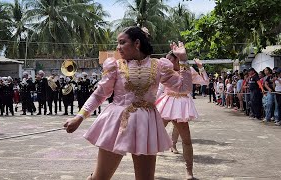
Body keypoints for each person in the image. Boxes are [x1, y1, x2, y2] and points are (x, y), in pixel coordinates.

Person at [64, 26, 190, 180]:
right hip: (117, 123)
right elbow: (99, 95)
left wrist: (183, 60)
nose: (118, 47)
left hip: (146, 125)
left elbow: (184, 88)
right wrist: (80, 117)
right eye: (118, 43)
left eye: (122, 42)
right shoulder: (115, 66)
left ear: (137, 43)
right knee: (100, 178)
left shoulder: (159, 66)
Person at [155, 55, 209, 180]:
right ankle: (148, 170)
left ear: (177, 59)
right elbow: (160, 88)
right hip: (166, 104)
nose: (167, 61)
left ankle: (189, 172)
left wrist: (201, 67)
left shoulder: (188, 70)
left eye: (170, 58)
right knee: (154, 136)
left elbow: (205, 81)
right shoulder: (166, 71)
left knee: (186, 140)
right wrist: (152, 102)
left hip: (181, 105)